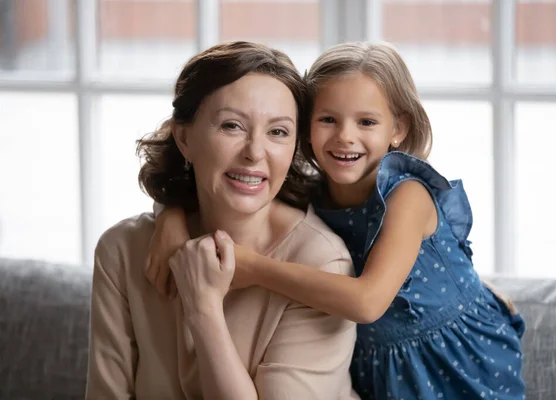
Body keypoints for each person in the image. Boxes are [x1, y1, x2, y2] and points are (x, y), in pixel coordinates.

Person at [149, 41, 526, 399]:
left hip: (457, 358)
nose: (345, 137)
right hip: (379, 364)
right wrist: (171, 217)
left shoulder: (408, 195)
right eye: (328, 119)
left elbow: (366, 302)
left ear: (398, 129)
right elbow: (217, 186)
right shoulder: (311, 191)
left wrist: (254, 267)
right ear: (305, 129)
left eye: (366, 122)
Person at [86, 41, 360, 400]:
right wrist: (168, 212)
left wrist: (203, 309)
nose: (254, 152)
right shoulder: (122, 251)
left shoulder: (322, 264)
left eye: (278, 132)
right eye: (232, 126)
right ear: (184, 137)